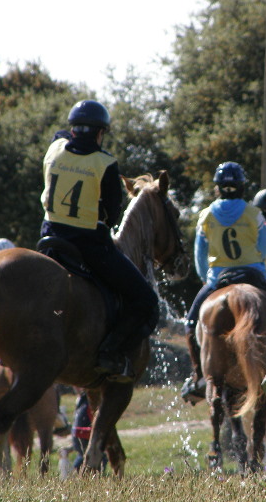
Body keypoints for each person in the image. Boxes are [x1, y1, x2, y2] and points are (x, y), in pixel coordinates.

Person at [39, 99, 160, 383]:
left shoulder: (54, 149)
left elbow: (61, 136)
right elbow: (110, 213)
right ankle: (110, 353)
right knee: (145, 300)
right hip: (88, 246)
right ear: (99, 133)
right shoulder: (105, 163)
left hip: (48, 239)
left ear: (73, 130)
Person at [183, 162, 266, 396]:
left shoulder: (206, 215)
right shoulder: (254, 213)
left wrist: (207, 278)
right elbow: (264, 247)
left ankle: (197, 375)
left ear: (218, 187)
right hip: (255, 274)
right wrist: (257, 265)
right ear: (241, 186)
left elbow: (200, 253)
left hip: (219, 277)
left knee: (190, 323)